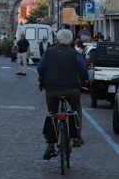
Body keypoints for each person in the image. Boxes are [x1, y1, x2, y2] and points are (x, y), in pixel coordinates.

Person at [37, 29, 89, 160]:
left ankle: (50, 144)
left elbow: (40, 68)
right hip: (71, 89)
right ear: (71, 41)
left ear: (57, 40)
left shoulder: (49, 52)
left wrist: (41, 81)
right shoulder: (74, 53)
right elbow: (83, 70)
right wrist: (82, 82)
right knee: (76, 108)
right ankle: (77, 136)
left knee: (52, 114)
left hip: (52, 89)